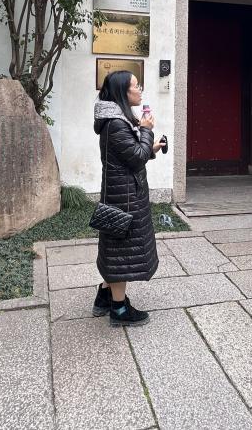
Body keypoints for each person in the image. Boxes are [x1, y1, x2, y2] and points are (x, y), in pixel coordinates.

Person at [92, 71, 164, 327]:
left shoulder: (117, 120)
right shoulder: (116, 123)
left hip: (122, 193)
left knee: (115, 251)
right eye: (136, 85)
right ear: (123, 92)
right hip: (124, 199)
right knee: (121, 253)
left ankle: (104, 296)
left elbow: (130, 155)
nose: (140, 89)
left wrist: (150, 148)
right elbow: (135, 157)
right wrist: (146, 131)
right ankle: (119, 309)